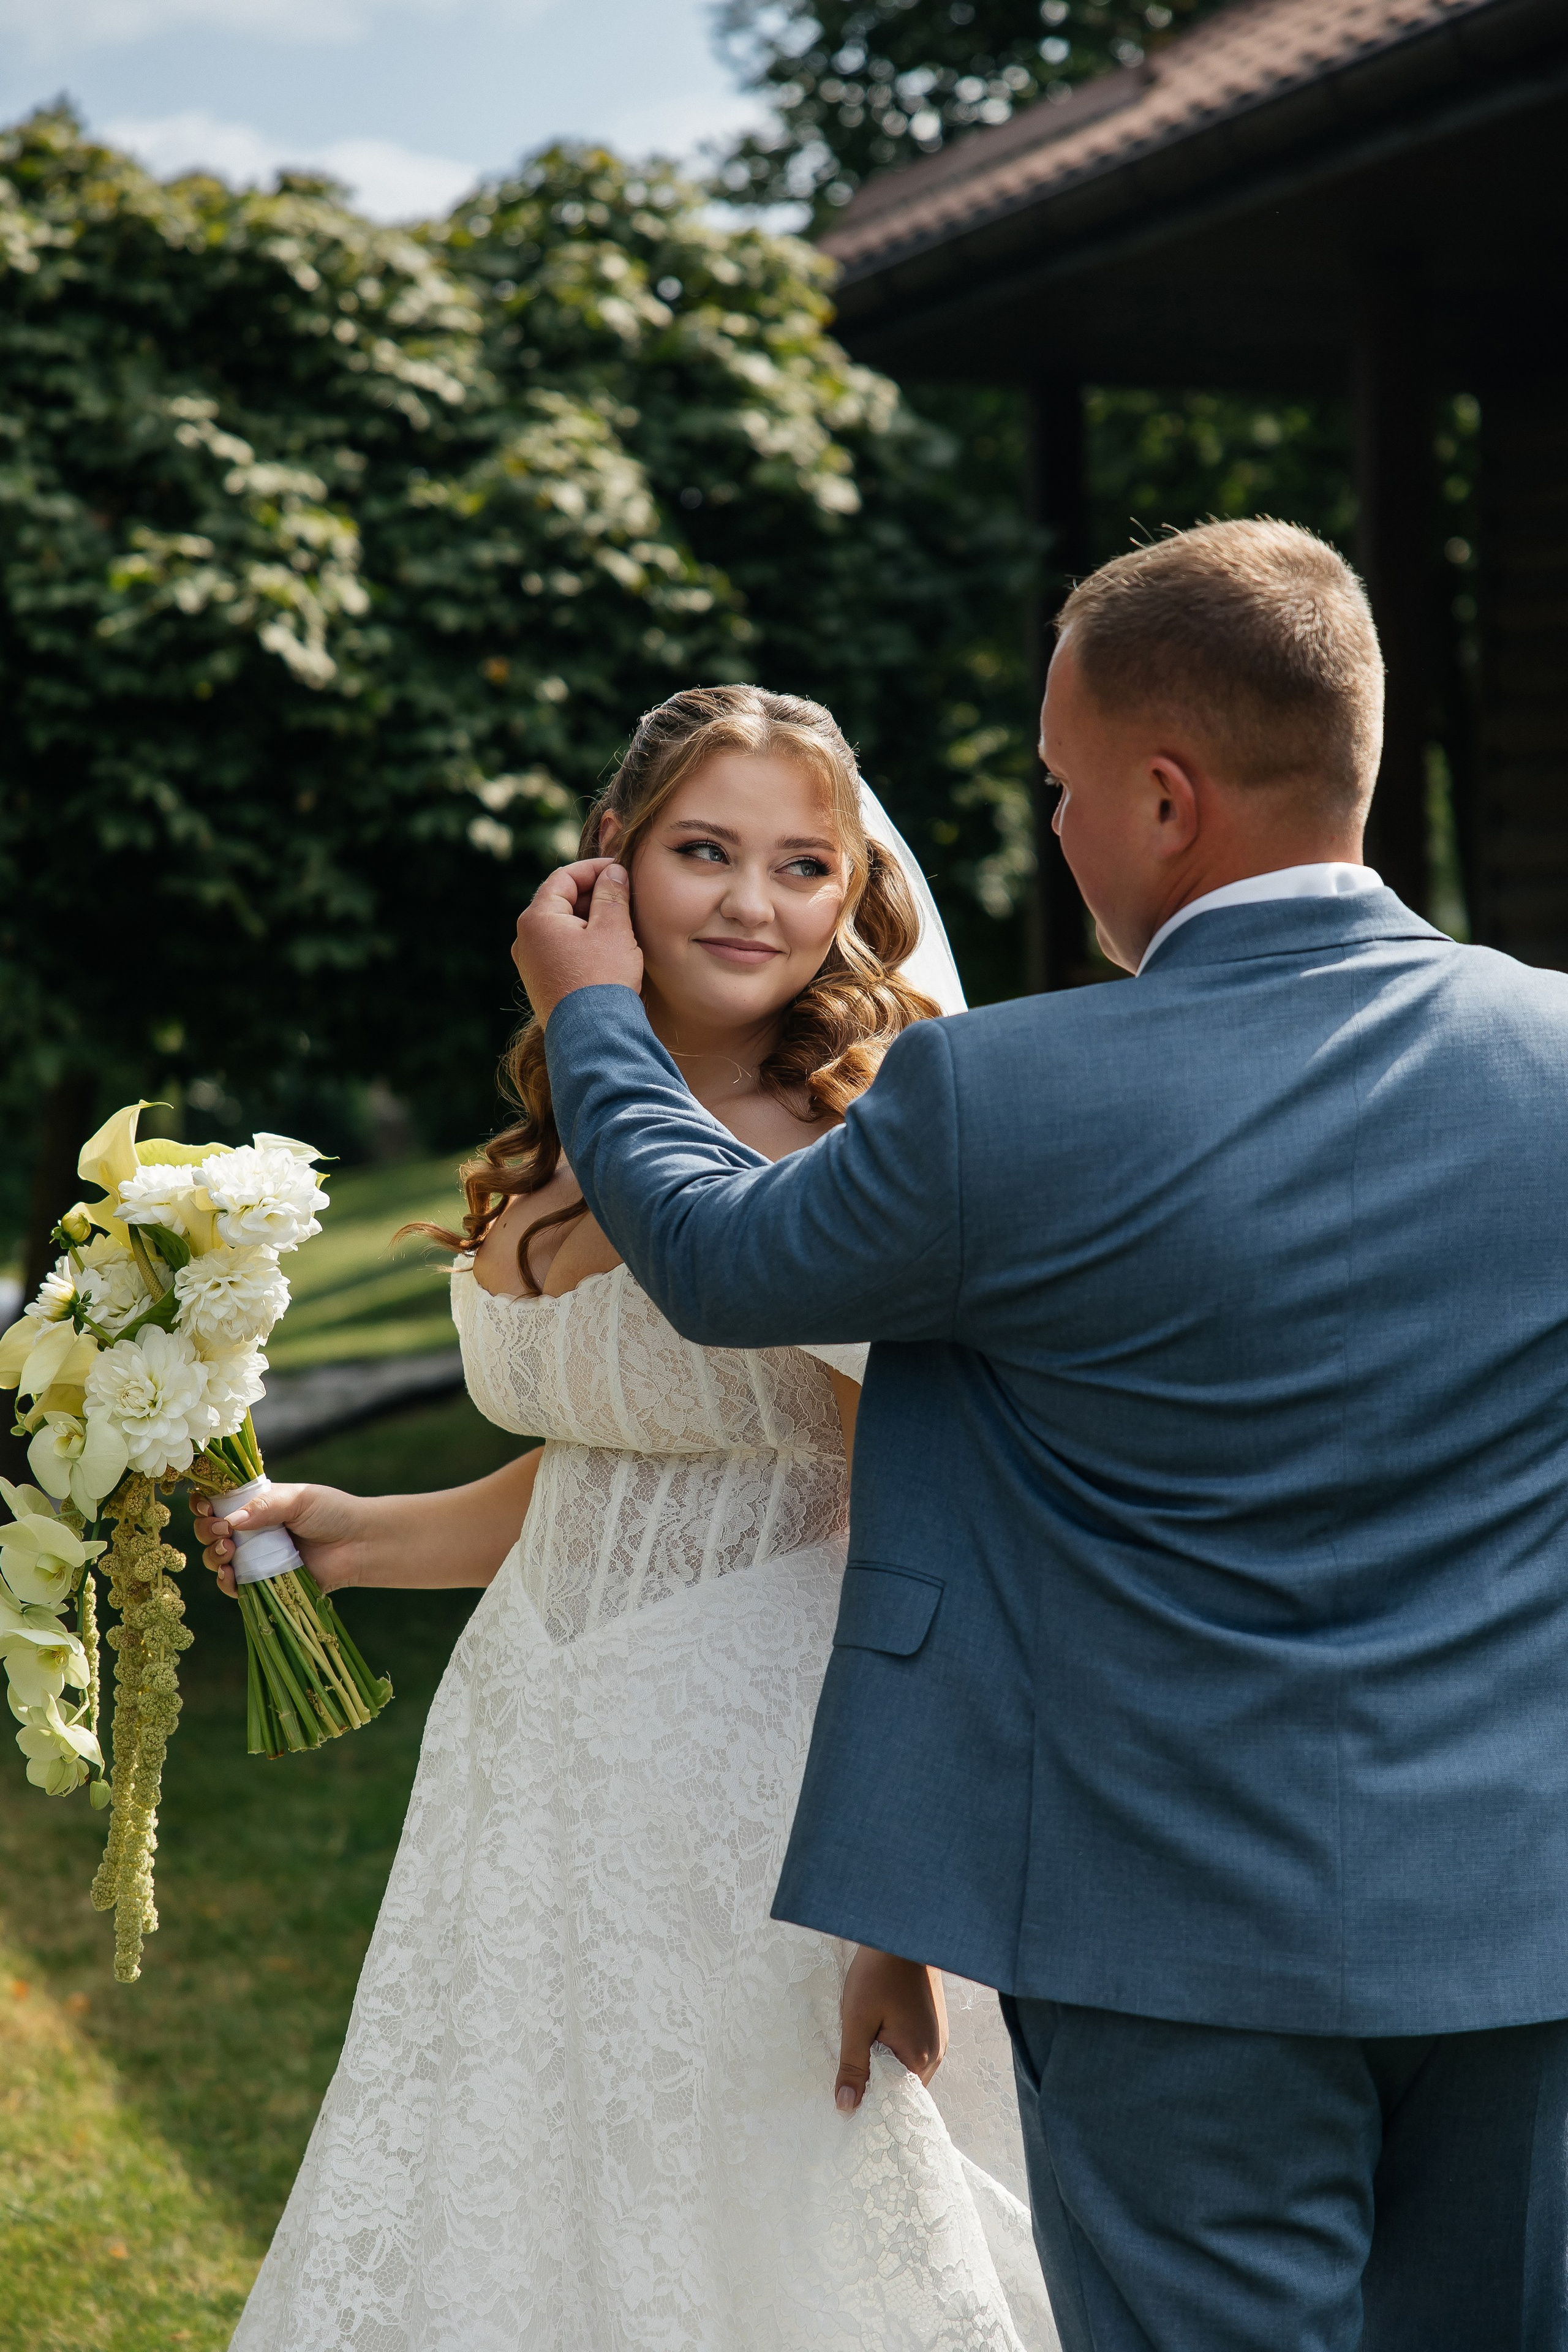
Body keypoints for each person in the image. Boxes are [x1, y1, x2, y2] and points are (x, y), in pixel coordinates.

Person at [510, 520, 1568, 2351]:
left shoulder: (1001, 1098)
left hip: (1161, 1940)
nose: (1055, 829)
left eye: (1065, 787)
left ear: (1166, 801)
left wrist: (594, 1020)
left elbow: (712, 1253)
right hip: (1525, 1923)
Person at [202, 687, 1060, 2352]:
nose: (754, 901)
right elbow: (617, 1462)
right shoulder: (542, 1153)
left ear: (852, 896)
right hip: (534, 1738)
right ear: (609, 868)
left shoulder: (851, 1143)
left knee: (782, 2193)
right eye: (705, 852)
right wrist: (351, 1529)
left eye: (805, 865)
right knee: (526, 2182)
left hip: (768, 1767)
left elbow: (931, 1517)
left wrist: (905, 1891)